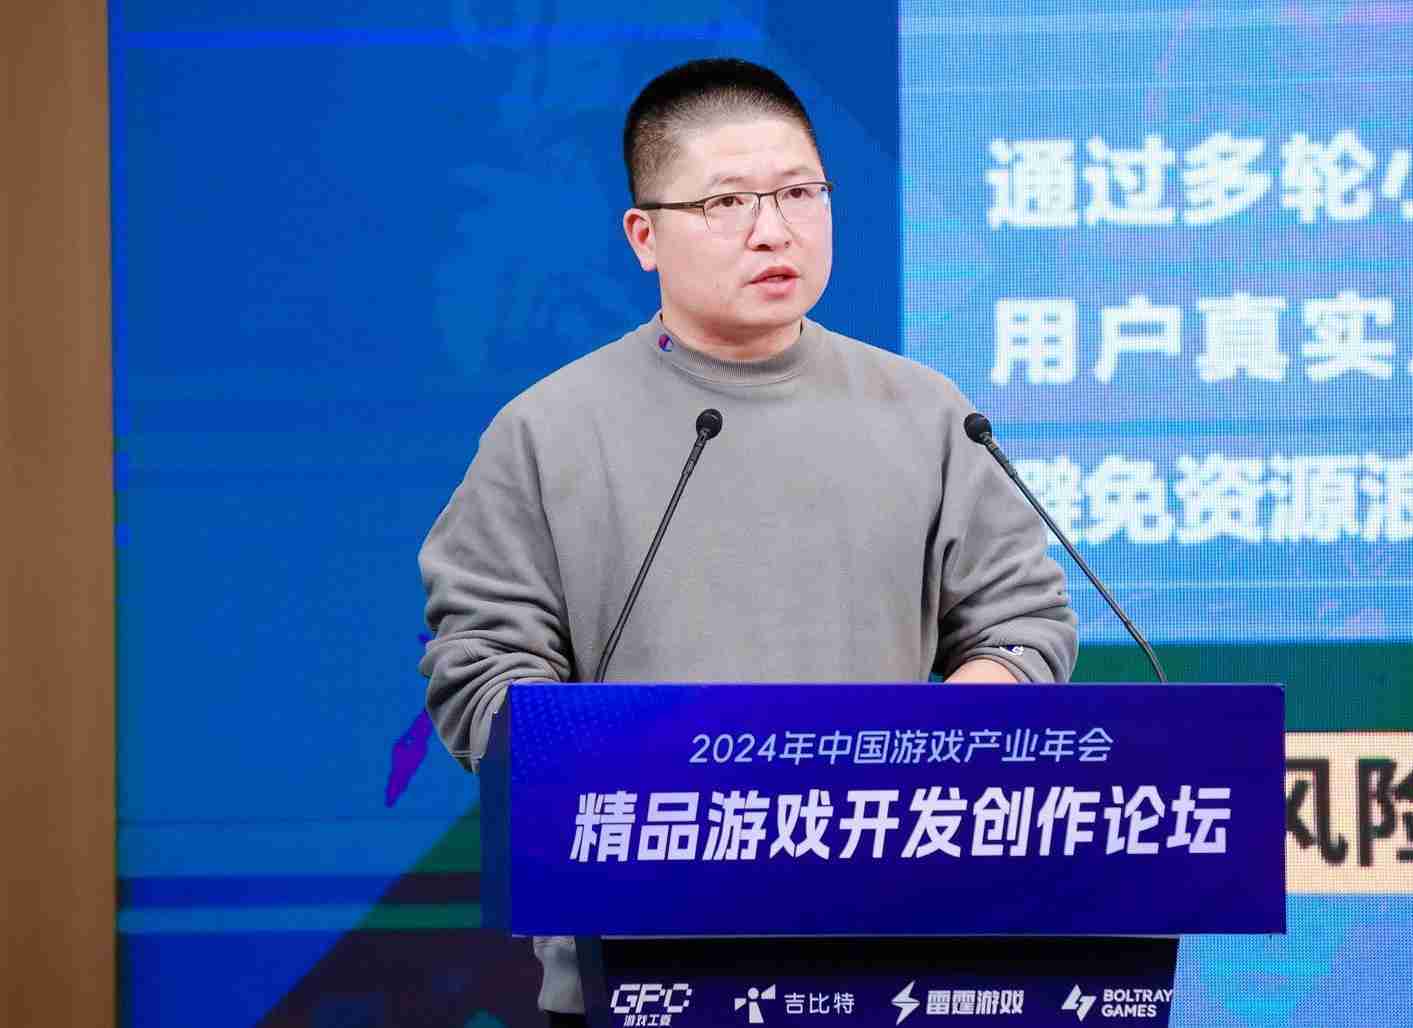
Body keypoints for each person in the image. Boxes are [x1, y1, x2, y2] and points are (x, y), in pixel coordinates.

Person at [418, 57, 1079, 1023]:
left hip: (890, 959)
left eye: (800, 193)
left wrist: (931, 751)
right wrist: (633, 775)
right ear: (645, 236)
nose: (774, 229)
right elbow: (481, 673)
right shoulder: (546, 433)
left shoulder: (930, 414)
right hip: (635, 965)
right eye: (726, 202)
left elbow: (1023, 625)